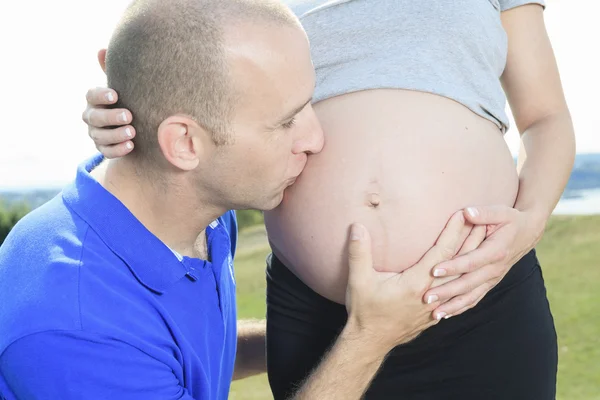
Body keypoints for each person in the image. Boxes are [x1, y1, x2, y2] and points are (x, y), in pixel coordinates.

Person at [84, 0, 576, 399]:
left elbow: (546, 117)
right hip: (318, 312)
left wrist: (529, 223)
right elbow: (167, 59)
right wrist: (127, 114)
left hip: (480, 293)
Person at [0, 1, 481, 399]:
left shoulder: (196, 216)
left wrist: (351, 326)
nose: (316, 138)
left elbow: (185, 352)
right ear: (185, 144)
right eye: (285, 122)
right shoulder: (74, 328)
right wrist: (368, 339)